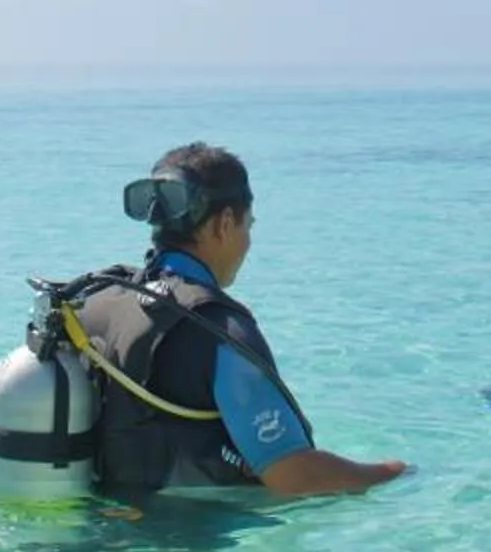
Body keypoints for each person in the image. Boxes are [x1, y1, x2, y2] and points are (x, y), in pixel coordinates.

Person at [73, 142, 408, 498]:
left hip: (105, 535)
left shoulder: (95, 302)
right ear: (225, 223)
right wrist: (391, 473)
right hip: (190, 544)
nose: (247, 240)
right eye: (248, 225)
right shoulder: (218, 331)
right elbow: (293, 476)